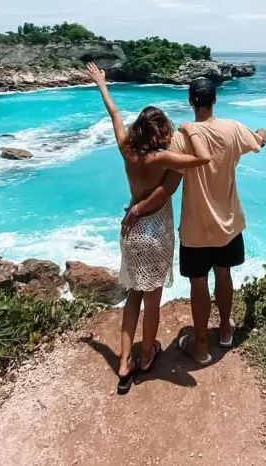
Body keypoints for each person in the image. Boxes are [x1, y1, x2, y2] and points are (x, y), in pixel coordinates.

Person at [85, 63, 212, 394]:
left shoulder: (127, 150)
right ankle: (146, 357)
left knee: (132, 300)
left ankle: (124, 364)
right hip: (156, 232)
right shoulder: (162, 159)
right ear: (160, 130)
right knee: (152, 302)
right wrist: (190, 131)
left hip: (131, 230)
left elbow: (113, 113)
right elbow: (202, 158)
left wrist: (102, 84)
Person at [135, 77, 266, 365]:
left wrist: (139, 207)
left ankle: (200, 347)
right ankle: (225, 330)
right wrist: (261, 130)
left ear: (190, 102)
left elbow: (167, 185)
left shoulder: (183, 137)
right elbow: (259, 141)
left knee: (199, 284)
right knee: (224, 275)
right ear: (215, 100)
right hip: (229, 224)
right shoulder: (233, 128)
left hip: (195, 230)